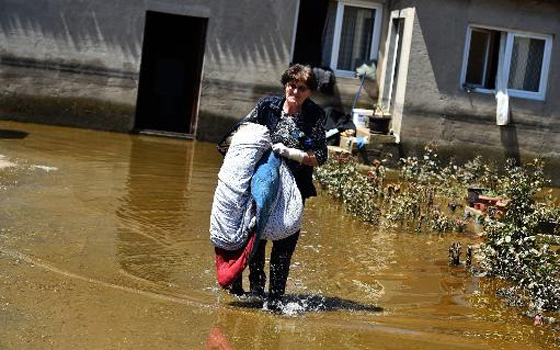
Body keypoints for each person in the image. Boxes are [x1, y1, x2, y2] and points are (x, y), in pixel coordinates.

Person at [217, 64, 328, 307]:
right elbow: (240, 132)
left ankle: (275, 301)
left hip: (294, 189)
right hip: (262, 184)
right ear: (285, 85)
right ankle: (256, 293)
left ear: (309, 92)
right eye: (291, 85)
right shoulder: (268, 106)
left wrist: (292, 153)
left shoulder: (315, 116)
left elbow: (320, 156)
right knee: (256, 240)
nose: (295, 91)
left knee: (284, 245)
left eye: (301, 88)